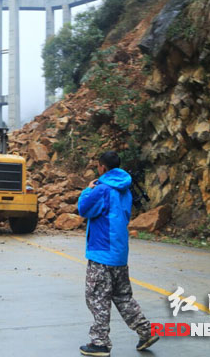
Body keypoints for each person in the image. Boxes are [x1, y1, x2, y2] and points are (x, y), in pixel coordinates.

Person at [77, 151, 159, 357]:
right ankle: (145, 331)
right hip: (119, 253)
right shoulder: (125, 189)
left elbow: (84, 209)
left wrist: (87, 190)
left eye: (98, 165)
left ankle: (100, 342)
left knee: (97, 296)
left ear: (102, 167)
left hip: (102, 251)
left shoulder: (101, 189)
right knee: (122, 296)